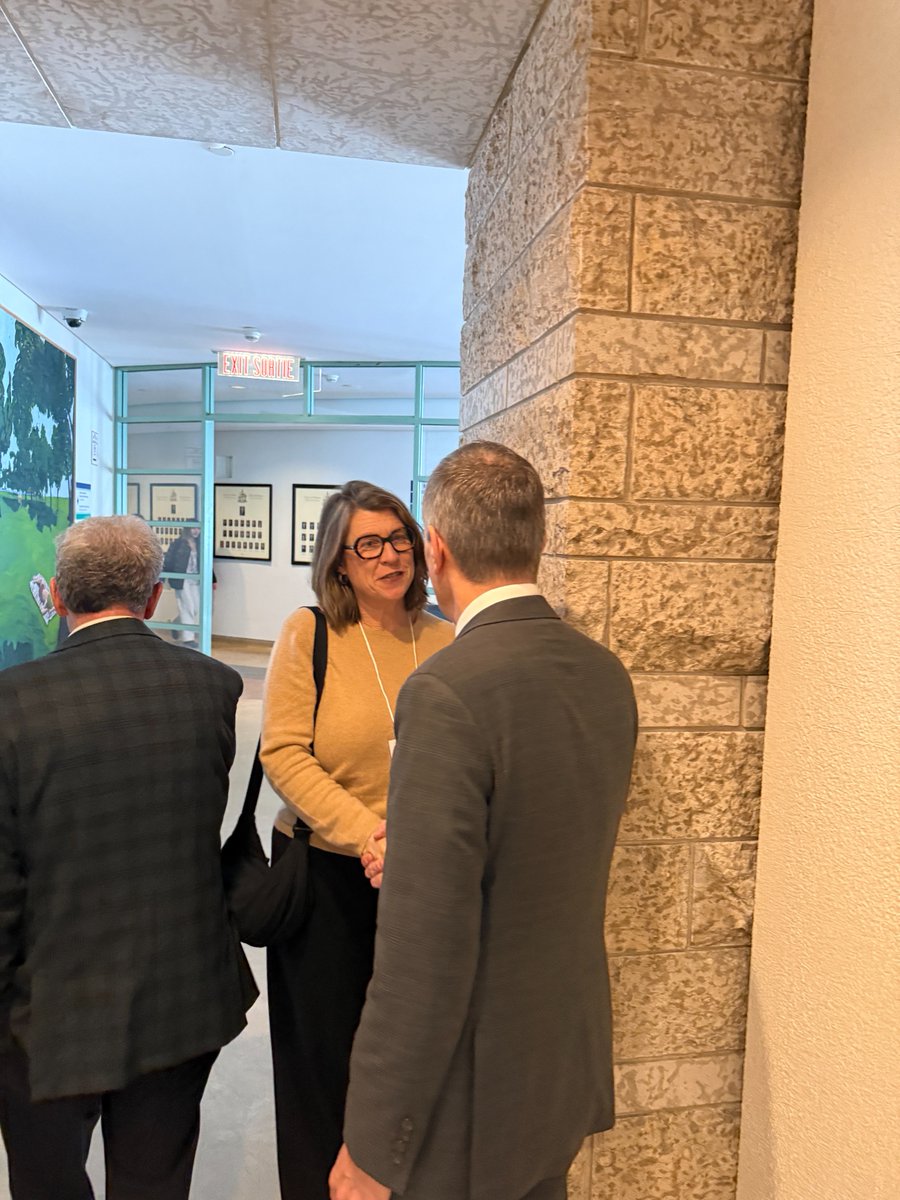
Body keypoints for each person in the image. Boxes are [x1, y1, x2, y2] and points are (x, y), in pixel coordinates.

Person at [330, 443, 638, 1200]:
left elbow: (421, 954)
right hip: (557, 1066)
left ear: (436, 549)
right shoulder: (605, 674)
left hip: (468, 1098)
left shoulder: (445, 690)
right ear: (534, 539)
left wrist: (372, 1143)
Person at [0, 515, 255, 1200]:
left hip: (48, 1012)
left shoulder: (12, 705)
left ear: (55, 596)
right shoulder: (214, 688)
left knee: (46, 1185)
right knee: (155, 1181)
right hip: (181, 995)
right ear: (151, 598)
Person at [260, 481, 453, 1200]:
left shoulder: (444, 637)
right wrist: (370, 833)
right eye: (367, 543)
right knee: (323, 1062)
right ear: (338, 561)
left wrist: (411, 845)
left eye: (399, 537)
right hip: (328, 877)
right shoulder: (309, 634)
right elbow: (283, 754)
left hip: (418, 878)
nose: (389, 555)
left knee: (406, 1055)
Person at [164, 524, 201, 645]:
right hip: (182, 579)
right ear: (187, 529)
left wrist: (213, 579)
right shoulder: (178, 543)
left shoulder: (201, 543)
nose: (196, 531)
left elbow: (205, 563)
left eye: (198, 528)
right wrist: (164, 578)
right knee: (187, 606)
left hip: (195, 579)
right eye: (193, 528)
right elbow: (168, 560)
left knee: (195, 608)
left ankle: (176, 624)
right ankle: (188, 638)